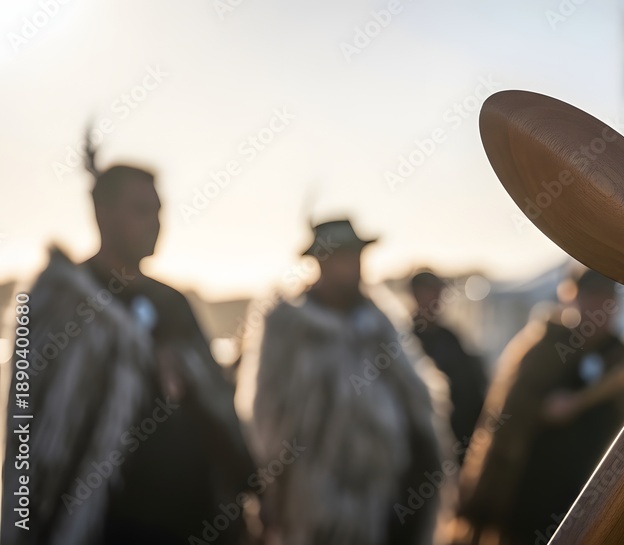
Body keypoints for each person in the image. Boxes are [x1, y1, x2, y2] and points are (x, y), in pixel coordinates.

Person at [1, 151, 255, 544]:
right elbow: (34, 430)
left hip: (192, 521)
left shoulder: (172, 303)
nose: (155, 223)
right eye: (140, 210)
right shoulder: (63, 303)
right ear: (102, 213)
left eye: (158, 210)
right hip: (106, 526)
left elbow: (216, 407)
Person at [237, 218, 441, 545]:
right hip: (312, 506)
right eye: (343, 258)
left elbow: (418, 404)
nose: (354, 267)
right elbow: (267, 415)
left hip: (385, 500)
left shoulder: (379, 324)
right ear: (320, 261)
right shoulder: (289, 327)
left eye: (356, 257)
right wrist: (271, 491)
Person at [456, 268, 624, 545]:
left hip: (610, 496)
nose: (599, 308)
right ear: (570, 297)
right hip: (541, 499)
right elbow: (507, 422)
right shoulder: (544, 349)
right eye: (591, 298)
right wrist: (540, 411)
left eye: (606, 300)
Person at [410, 270, 488, 464]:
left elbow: (472, 388)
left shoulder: (451, 338)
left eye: (438, 292)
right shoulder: (404, 341)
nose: (436, 298)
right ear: (415, 295)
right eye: (429, 292)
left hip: (460, 442)